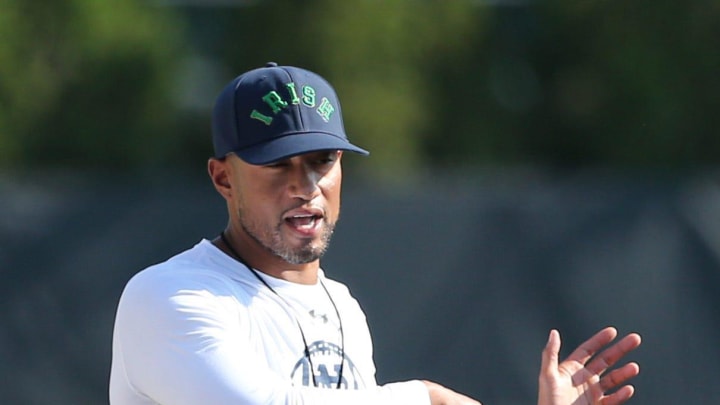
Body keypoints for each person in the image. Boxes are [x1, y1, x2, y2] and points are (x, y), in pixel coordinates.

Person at [109, 62, 642, 405]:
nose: (306, 186)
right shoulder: (169, 295)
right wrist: (422, 398)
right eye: (277, 166)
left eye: (322, 161)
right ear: (224, 177)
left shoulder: (341, 306)